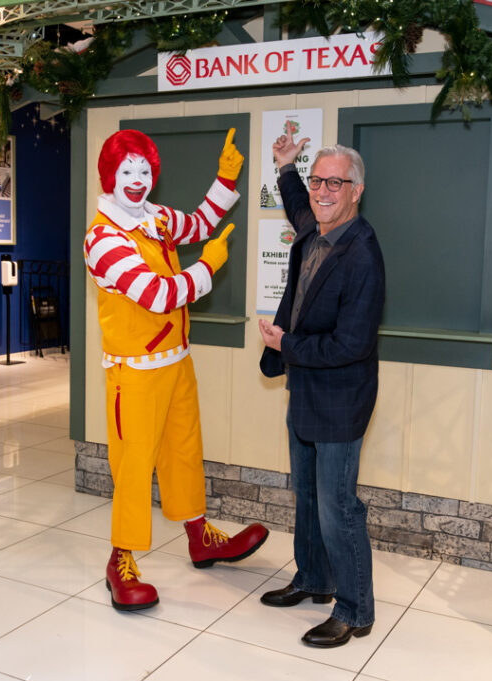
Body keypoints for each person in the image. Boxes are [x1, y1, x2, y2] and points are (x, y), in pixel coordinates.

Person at [84, 128, 268, 612]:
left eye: (144, 171)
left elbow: (201, 221)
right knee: (132, 467)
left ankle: (197, 536)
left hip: (176, 361)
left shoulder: (156, 218)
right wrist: (207, 267)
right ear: (110, 174)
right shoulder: (103, 239)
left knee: (185, 451)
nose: (137, 180)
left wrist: (225, 177)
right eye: (127, 171)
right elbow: (159, 294)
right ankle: (119, 558)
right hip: (135, 371)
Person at [258, 131, 385, 648]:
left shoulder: (362, 254)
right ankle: (313, 577)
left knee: (338, 505)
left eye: (336, 183)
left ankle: (355, 610)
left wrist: (287, 344)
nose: (323, 191)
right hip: (307, 389)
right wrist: (287, 168)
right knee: (307, 494)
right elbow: (299, 207)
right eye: (317, 181)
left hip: (340, 396)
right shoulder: (316, 232)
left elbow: (349, 345)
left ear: (356, 191)